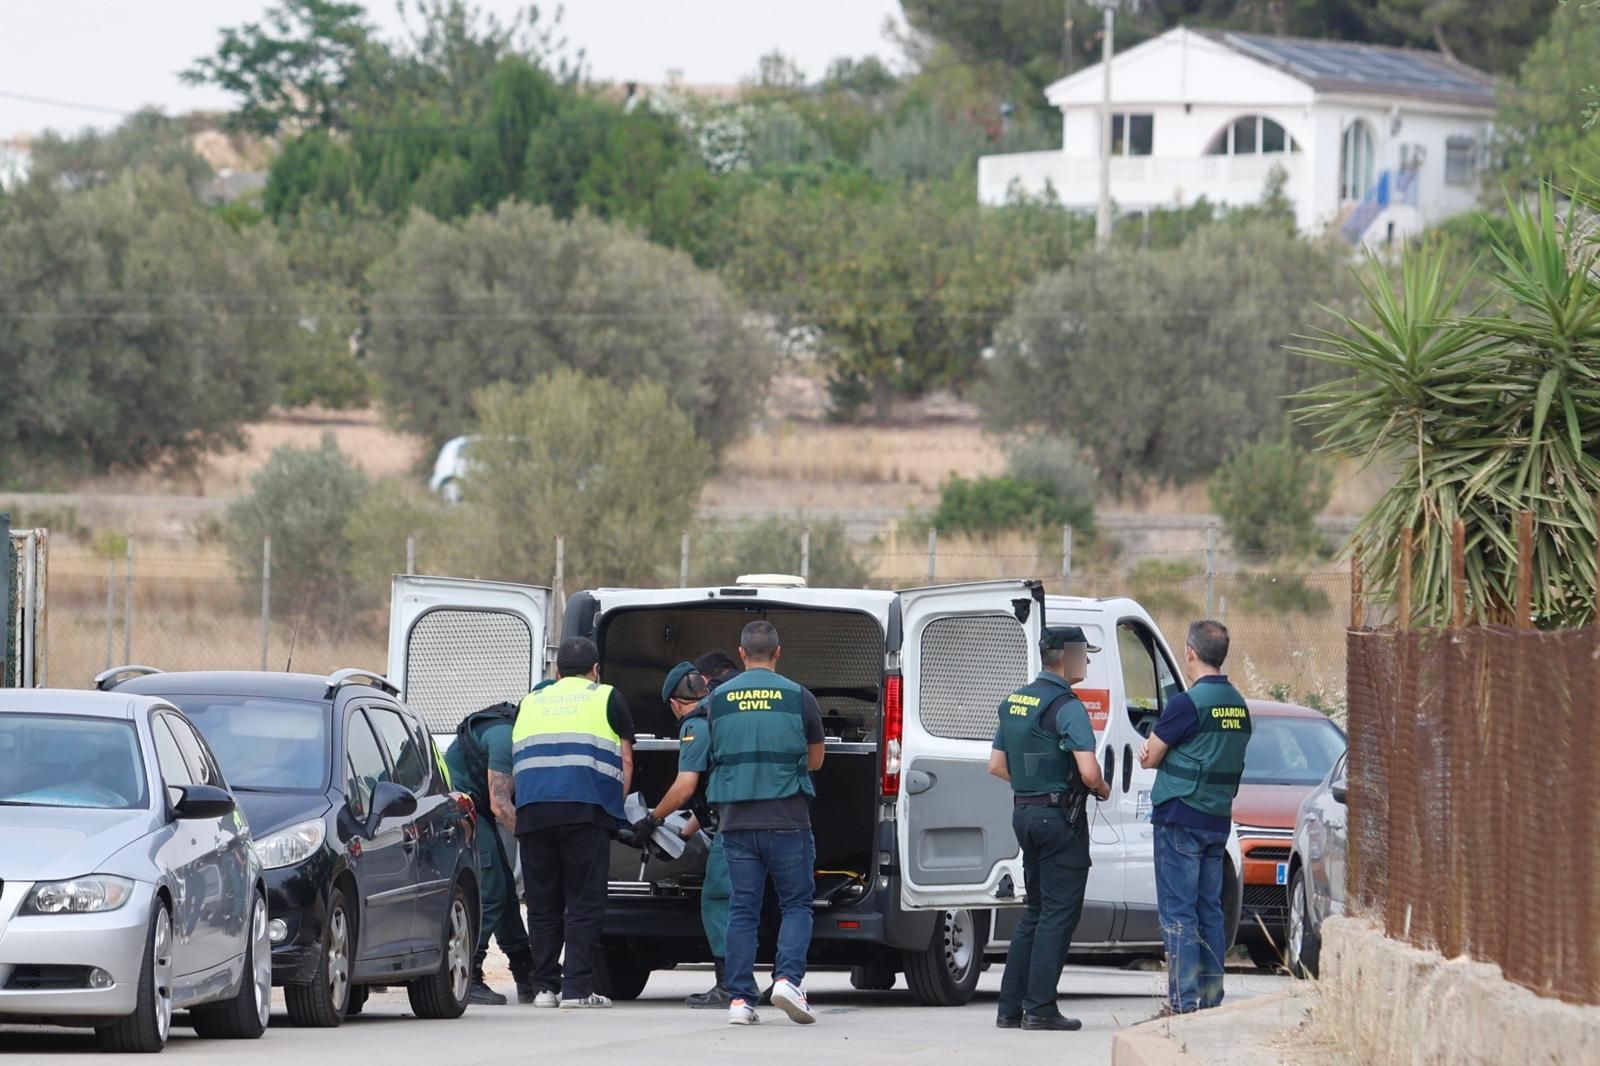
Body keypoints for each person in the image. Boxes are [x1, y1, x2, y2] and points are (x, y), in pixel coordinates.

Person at [989, 626, 1113, 1032]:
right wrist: (1100, 787)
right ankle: (1040, 1008)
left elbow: (997, 767)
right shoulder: (1067, 706)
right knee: (1059, 914)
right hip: (1060, 822)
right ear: (1066, 656)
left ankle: (1010, 1009)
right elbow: (1090, 771)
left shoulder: (1014, 702)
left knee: (1036, 911)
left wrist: (1034, 789)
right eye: (1085, 655)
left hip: (1024, 815)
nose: (1088, 662)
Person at [707, 621, 825, 1026]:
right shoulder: (799, 696)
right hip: (788, 818)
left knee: (743, 909)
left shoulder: (717, 698)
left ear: (741, 653)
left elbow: (716, 750)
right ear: (778, 652)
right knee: (795, 904)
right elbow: (816, 759)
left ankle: (740, 1000)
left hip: (736, 820)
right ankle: (788, 981)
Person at [512, 636, 636, 1009]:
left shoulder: (530, 701)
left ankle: (545, 988)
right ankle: (578, 988)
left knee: (542, 902)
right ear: (595, 670)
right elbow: (626, 761)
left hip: (533, 812)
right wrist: (617, 811)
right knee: (583, 901)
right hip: (586, 811)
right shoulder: (606, 696)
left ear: (556, 670)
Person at [1139, 619, 1253, 1015]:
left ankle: (1183, 1004)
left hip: (1179, 817)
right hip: (1216, 820)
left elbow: (1151, 754)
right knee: (1210, 912)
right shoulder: (1239, 704)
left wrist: (1149, 752)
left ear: (1189, 652)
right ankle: (1210, 1002)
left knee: (1179, 913)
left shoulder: (1186, 703)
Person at [629, 658, 735, 1008]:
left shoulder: (694, 724)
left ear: (675, 703)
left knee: (717, 900)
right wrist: (686, 834)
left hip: (732, 831)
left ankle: (728, 986)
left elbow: (686, 786)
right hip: (759, 818)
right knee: (754, 902)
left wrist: (653, 820)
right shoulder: (724, 710)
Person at [442, 701, 538, 1006]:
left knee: (506, 890)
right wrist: (536, 843)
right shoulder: (504, 736)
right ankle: (469, 974)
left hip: (476, 808)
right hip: (459, 807)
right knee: (492, 887)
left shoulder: (514, 730)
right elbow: (500, 804)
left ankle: (527, 973)